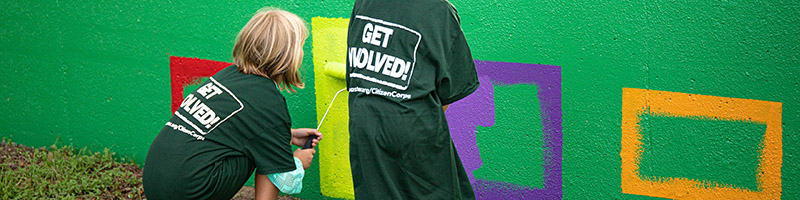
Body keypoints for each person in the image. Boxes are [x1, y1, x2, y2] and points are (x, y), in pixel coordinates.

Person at [143, 8, 321, 200]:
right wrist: (298, 163)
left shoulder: (227, 75)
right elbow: (287, 180)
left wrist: (289, 135)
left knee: (262, 141)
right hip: (187, 192)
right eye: (301, 46)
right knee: (265, 152)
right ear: (288, 55)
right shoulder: (268, 100)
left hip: (155, 181)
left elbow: (232, 128)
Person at [345, 0, 480, 199]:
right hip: (415, 129)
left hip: (364, 127)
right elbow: (448, 92)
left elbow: (354, 74)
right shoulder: (440, 10)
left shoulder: (363, 3)